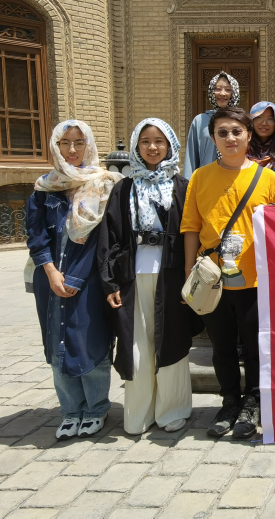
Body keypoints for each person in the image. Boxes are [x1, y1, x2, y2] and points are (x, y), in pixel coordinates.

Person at [181, 107, 275, 438]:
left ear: (248, 135)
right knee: (222, 346)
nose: (230, 138)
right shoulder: (200, 177)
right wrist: (188, 272)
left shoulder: (267, 178)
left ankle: (253, 403)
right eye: (222, 133)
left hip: (255, 279)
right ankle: (229, 401)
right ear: (213, 138)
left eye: (236, 131)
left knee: (256, 347)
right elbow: (191, 227)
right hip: (212, 280)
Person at [99, 119, 195, 435]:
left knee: (171, 341)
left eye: (159, 141)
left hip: (172, 276)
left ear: (170, 146)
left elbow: (192, 233)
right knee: (136, 345)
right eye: (145, 142)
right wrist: (110, 282)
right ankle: (139, 413)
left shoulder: (182, 187)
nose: (152, 147)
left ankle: (172, 409)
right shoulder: (124, 188)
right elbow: (109, 237)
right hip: (132, 276)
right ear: (136, 147)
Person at [27, 120, 121, 440]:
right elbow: (36, 235)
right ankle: (70, 410)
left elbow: (103, 239)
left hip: (89, 279)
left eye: (79, 142)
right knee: (57, 341)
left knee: (90, 340)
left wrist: (77, 277)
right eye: (65, 143)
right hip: (50, 279)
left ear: (88, 145)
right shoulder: (45, 187)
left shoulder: (103, 184)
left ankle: (95, 408)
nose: (72, 150)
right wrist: (51, 271)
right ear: (55, 146)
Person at [183, 72, 241, 179]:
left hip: (235, 180)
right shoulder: (200, 121)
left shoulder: (241, 121)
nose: (222, 93)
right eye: (218, 89)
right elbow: (191, 158)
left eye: (228, 89)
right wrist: (188, 184)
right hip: (206, 181)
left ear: (234, 93)